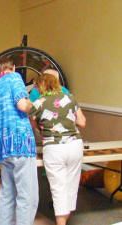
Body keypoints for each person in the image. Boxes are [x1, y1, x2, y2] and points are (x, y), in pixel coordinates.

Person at [0, 57, 38, 225]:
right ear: (14, 68)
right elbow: (23, 105)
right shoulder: (15, 78)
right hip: (20, 143)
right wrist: (37, 105)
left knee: (7, 194)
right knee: (27, 197)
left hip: (3, 146)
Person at [29, 73, 86, 225]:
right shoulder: (70, 98)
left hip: (53, 149)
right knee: (71, 189)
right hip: (75, 146)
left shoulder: (38, 103)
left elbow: (32, 125)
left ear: (40, 86)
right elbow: (82, 122)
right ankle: (64, 220)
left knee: (58, 190)